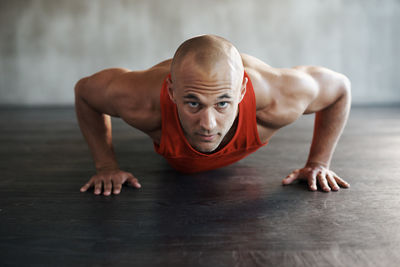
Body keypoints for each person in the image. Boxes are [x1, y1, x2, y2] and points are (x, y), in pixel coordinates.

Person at [75, 34, 351, 196]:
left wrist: (318, 162)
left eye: (222, 104)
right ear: (171, 92)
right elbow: (85, 92)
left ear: (242, 91)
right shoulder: (142, 100)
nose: (207, 125)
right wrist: (106, 167)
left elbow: (340, 88)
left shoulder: (277, 97)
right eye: (193, 104)